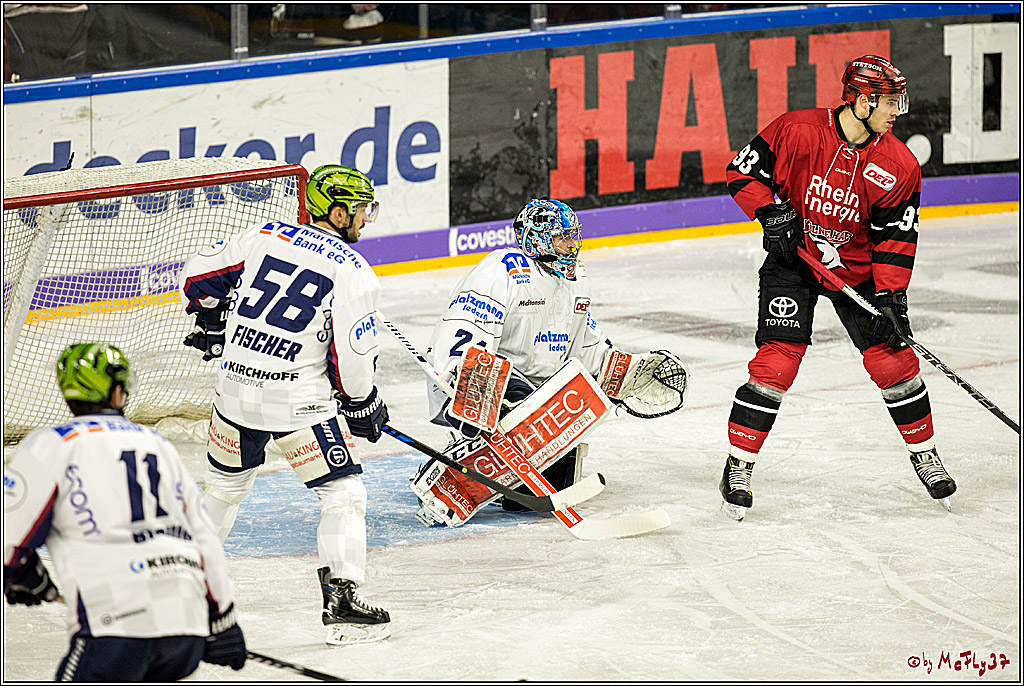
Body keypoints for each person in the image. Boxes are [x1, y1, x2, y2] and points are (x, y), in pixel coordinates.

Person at [720, 55, 956, 521]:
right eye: (890, 102)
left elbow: (896, 235)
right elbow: (740, 172)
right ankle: (739, 465)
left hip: (858, 273)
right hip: (795, 263)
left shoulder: (899, 163)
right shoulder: (797, 129)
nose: (897, 111)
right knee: (776, 361)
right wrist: (770, 212)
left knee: (895, 362)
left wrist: (892, 297)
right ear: (863, 100)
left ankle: (924, 453)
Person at [177, 164, 392, 645]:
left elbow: (195, 276)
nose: (366, 219)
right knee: (343, 495)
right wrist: (362, 403)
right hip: (296, 405)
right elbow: (351, 358)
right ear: (336, 213)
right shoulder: (353, 270)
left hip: (233, 395)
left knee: (222, 490)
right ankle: (342, 598)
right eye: (361, 210)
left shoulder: (263, 235)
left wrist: (213, 322)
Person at [413, 199, 688, 526]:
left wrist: (621, 371)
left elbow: (585, 343)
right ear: (537, 239)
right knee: (521, 410)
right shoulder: (504, 269)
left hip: (540, 397)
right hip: (481, 379)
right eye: (562, 238)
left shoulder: (576, 279)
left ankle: (495, 473)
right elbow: (464, 331)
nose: (572, 245)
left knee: (541, 493)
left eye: (574, 236)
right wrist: (468, 392)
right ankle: (453, 466)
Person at [3, 343, 246, 681]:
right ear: (117, 392)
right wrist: (223, 617)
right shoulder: (158, 444)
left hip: (116, 624)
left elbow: (10, 540)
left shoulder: (51, 444)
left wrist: (22, 576)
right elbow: (203, 537)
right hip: (185, 623)